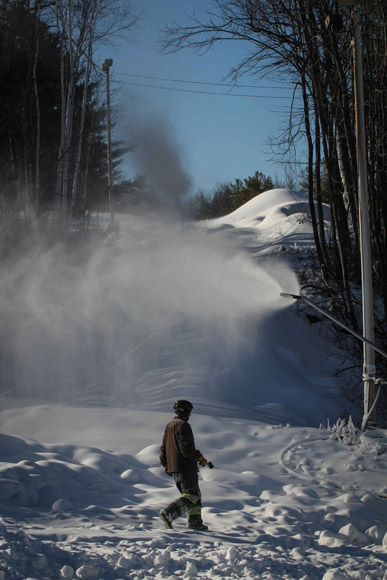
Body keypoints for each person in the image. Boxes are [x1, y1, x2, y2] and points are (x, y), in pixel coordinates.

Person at [159, 400, 209, 531]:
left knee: (195, 495)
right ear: (185, 411)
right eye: (189, 411)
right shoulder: (183, 426)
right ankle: (168, 513)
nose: (190, 415)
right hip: (185, 467)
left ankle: (195, 522)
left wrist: (165, 464)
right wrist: (199, 457)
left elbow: (164, 447)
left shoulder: (170, 425)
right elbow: (186, 449)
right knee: (191, 495)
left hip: (176, 467)